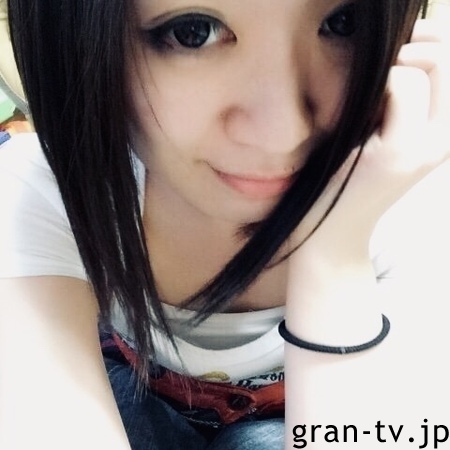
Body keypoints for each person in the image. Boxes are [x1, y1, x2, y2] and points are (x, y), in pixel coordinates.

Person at [1, 0, 450, 449]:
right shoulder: (51, 188)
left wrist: (335, 252)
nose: (284, 134)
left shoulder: (413, 200)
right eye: (193, 31)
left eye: (343, 23)